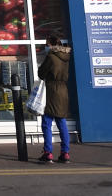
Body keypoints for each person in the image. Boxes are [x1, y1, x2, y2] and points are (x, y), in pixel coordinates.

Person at [38, 34, 72, 164]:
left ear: (52, 45)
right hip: (63, 91)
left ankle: (48, 152)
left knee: (46, 122)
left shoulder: (51, 57)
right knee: (61, 122)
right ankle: (65, 153)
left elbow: (41, 73)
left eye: (47, 45)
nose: (46, 47)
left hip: (52, 90)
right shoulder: (66, 58)